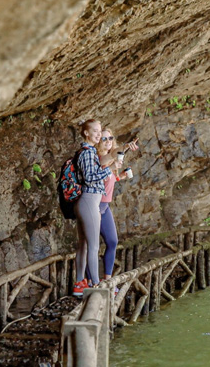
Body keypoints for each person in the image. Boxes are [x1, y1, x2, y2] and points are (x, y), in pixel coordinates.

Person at [72, 119, 110, 297]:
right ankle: (95, 284)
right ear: (86, 133)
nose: (98, 134)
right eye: (94, 131)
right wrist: (108, 170)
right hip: (89, 200)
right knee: (93, 246)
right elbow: (89, 177)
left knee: (84, 246)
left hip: (84, 202)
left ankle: (80, 283)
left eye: (100, 131)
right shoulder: (87, 153)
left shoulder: (87, 151)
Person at [95, 129, 138, 280]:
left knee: (112, 241)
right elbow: (106, 161)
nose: (108, 141)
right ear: (98, 141)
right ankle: (89, 281)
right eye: (104, 138)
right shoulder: (99, 157)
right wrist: (125, 147)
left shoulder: (112, 160)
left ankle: (107, 279)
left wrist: (121, 177)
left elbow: (109, 180)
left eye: (110, 138)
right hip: (95, 205)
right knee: (92, 245)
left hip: (105, 206)